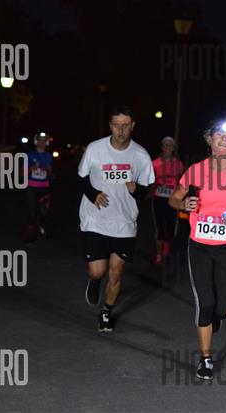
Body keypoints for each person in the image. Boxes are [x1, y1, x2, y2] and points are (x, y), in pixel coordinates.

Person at [168, 119, 226, 380]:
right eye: (219, 135)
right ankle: (205, 359)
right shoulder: (196, 170)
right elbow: (174, 198)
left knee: (220, 309)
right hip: (199, 244)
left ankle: (217, 315)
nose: (223, 139)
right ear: (210, 140)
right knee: (205, 303)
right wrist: (184, 204)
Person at [78, 106, 155, 332]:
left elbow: (146, 189)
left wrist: (137, 191)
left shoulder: (140, 155)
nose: (121, 130)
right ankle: (94, 281)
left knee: (116, 271)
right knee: (97, 271)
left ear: (132, 126)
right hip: (96, 218)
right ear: (110, 126)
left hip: (124, 222)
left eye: (125, 125)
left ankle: (106, 311)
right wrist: (93, 194)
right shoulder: (95, 149)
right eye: (116, 125)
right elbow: (81, 177)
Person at [151, 137, 184, 265]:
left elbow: (181, 181)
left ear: (173, 148)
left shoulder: (178, 164)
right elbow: (150, 180)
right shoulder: (155, 163)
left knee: (171, 226)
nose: (168, 147)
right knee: (159, 226)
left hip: (173, 199)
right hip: (158, 198)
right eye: (165, 145)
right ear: (162, 147)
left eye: (170, 145)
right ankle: (158, 254)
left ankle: (167, 245)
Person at [25, 133, 53, 243]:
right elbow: (22, 172)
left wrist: (49, 170)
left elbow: (50, 173)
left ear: (47, 143)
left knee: (43, 211)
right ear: (36, 142)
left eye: (44, 141)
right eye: (39, 140)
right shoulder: (30, 155)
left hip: (44, 187)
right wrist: (33, 168)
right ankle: (30, 233)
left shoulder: (48, 155)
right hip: (32, 187)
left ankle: (41, 227)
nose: (41, 143)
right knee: (31, 211)